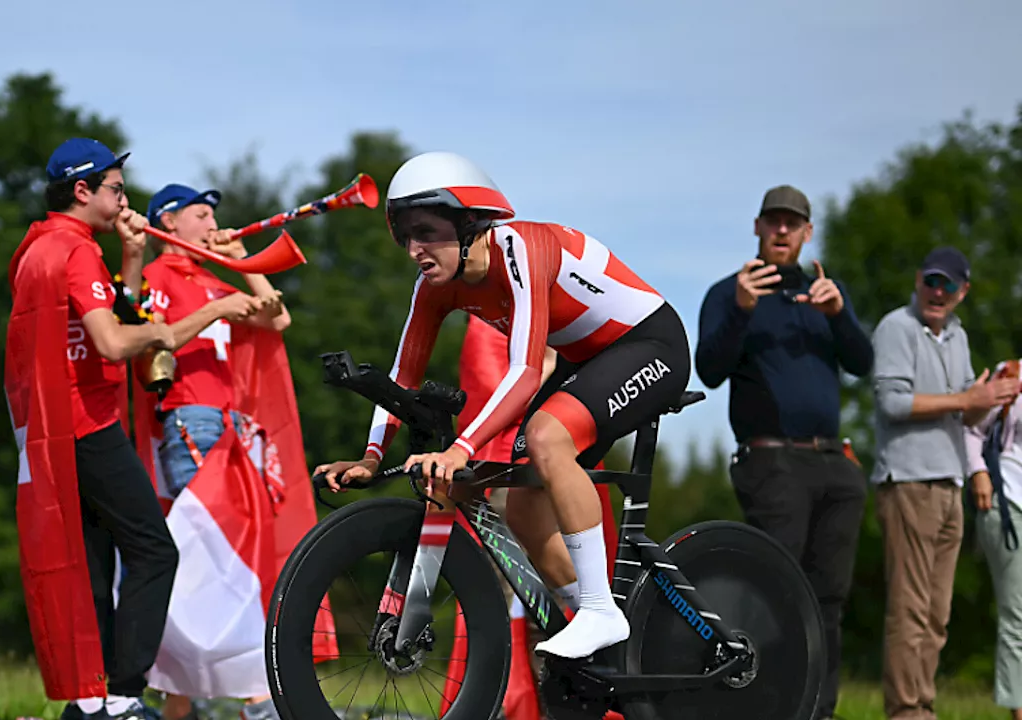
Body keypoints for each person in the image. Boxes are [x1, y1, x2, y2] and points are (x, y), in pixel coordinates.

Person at [316, 151, 691, 660]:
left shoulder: (522, 249)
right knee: (521, 502)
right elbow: (401, 378)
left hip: (650, 345)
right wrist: (370, 457)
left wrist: (461, 447)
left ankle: (602, 611)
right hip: (590, 361)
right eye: (405, 236)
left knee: (546, 436)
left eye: (425, 231)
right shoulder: (435, 286)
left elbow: (525, 371)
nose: (413, 249)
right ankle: (594, 634)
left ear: (469, 222)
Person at [4, 138, 179, 720]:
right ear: (83, 191)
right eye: (117, 189)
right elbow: (112, 341)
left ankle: (93, 698)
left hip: (52, 430)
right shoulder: (76, 251)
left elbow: (100, 320)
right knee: (155, 552)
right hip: (88, 424)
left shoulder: (38, 249)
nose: (125, 199)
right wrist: (164, 332)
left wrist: (131, 258)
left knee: (95, 567)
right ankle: (126, 692)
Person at [694, 184, 873, 719]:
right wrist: (743, 311)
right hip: (771, 462)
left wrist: (840, 314)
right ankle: (769, 704)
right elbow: (709, 369)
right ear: (757, 227)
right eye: (773, 222)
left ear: (806, 233)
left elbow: (863, 362)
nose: (781, 231)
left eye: (792, 224)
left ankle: (820, 710)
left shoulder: (824, 293)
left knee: (829, 599)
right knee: (777, 588)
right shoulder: (731, 293)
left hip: (833, 464)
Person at [138, 183, 289, 720]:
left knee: (217, 558)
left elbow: (276, 318)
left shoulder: (210, 278)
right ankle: (255, 698)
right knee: (210, 557)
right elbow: (152, 337)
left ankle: (183, 705)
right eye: (201, 214)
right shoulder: (156, 277)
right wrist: (220, 305)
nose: (212, 222)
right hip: (191, 419)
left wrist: (242, 260)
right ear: (169, 222)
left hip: (231, 426)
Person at [870, 246, 1020, 720]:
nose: (938, 292)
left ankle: (924, 706)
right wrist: (965, 398)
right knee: (910, 609)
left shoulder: (958, 335)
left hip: (950, 482)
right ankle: (905, 710)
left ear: (962, 292)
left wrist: (993, 398)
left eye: (949, 285)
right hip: (909, 481)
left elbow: (967, 411)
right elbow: (893, 403)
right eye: (932, 281)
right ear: (918, 280)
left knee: (937, 615)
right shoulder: (897, 327)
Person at [966, 359, 1022, 720]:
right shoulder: (1012, 373)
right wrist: (979, 472)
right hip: (1011, 503)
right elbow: (971, 428)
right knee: (1019, 617)